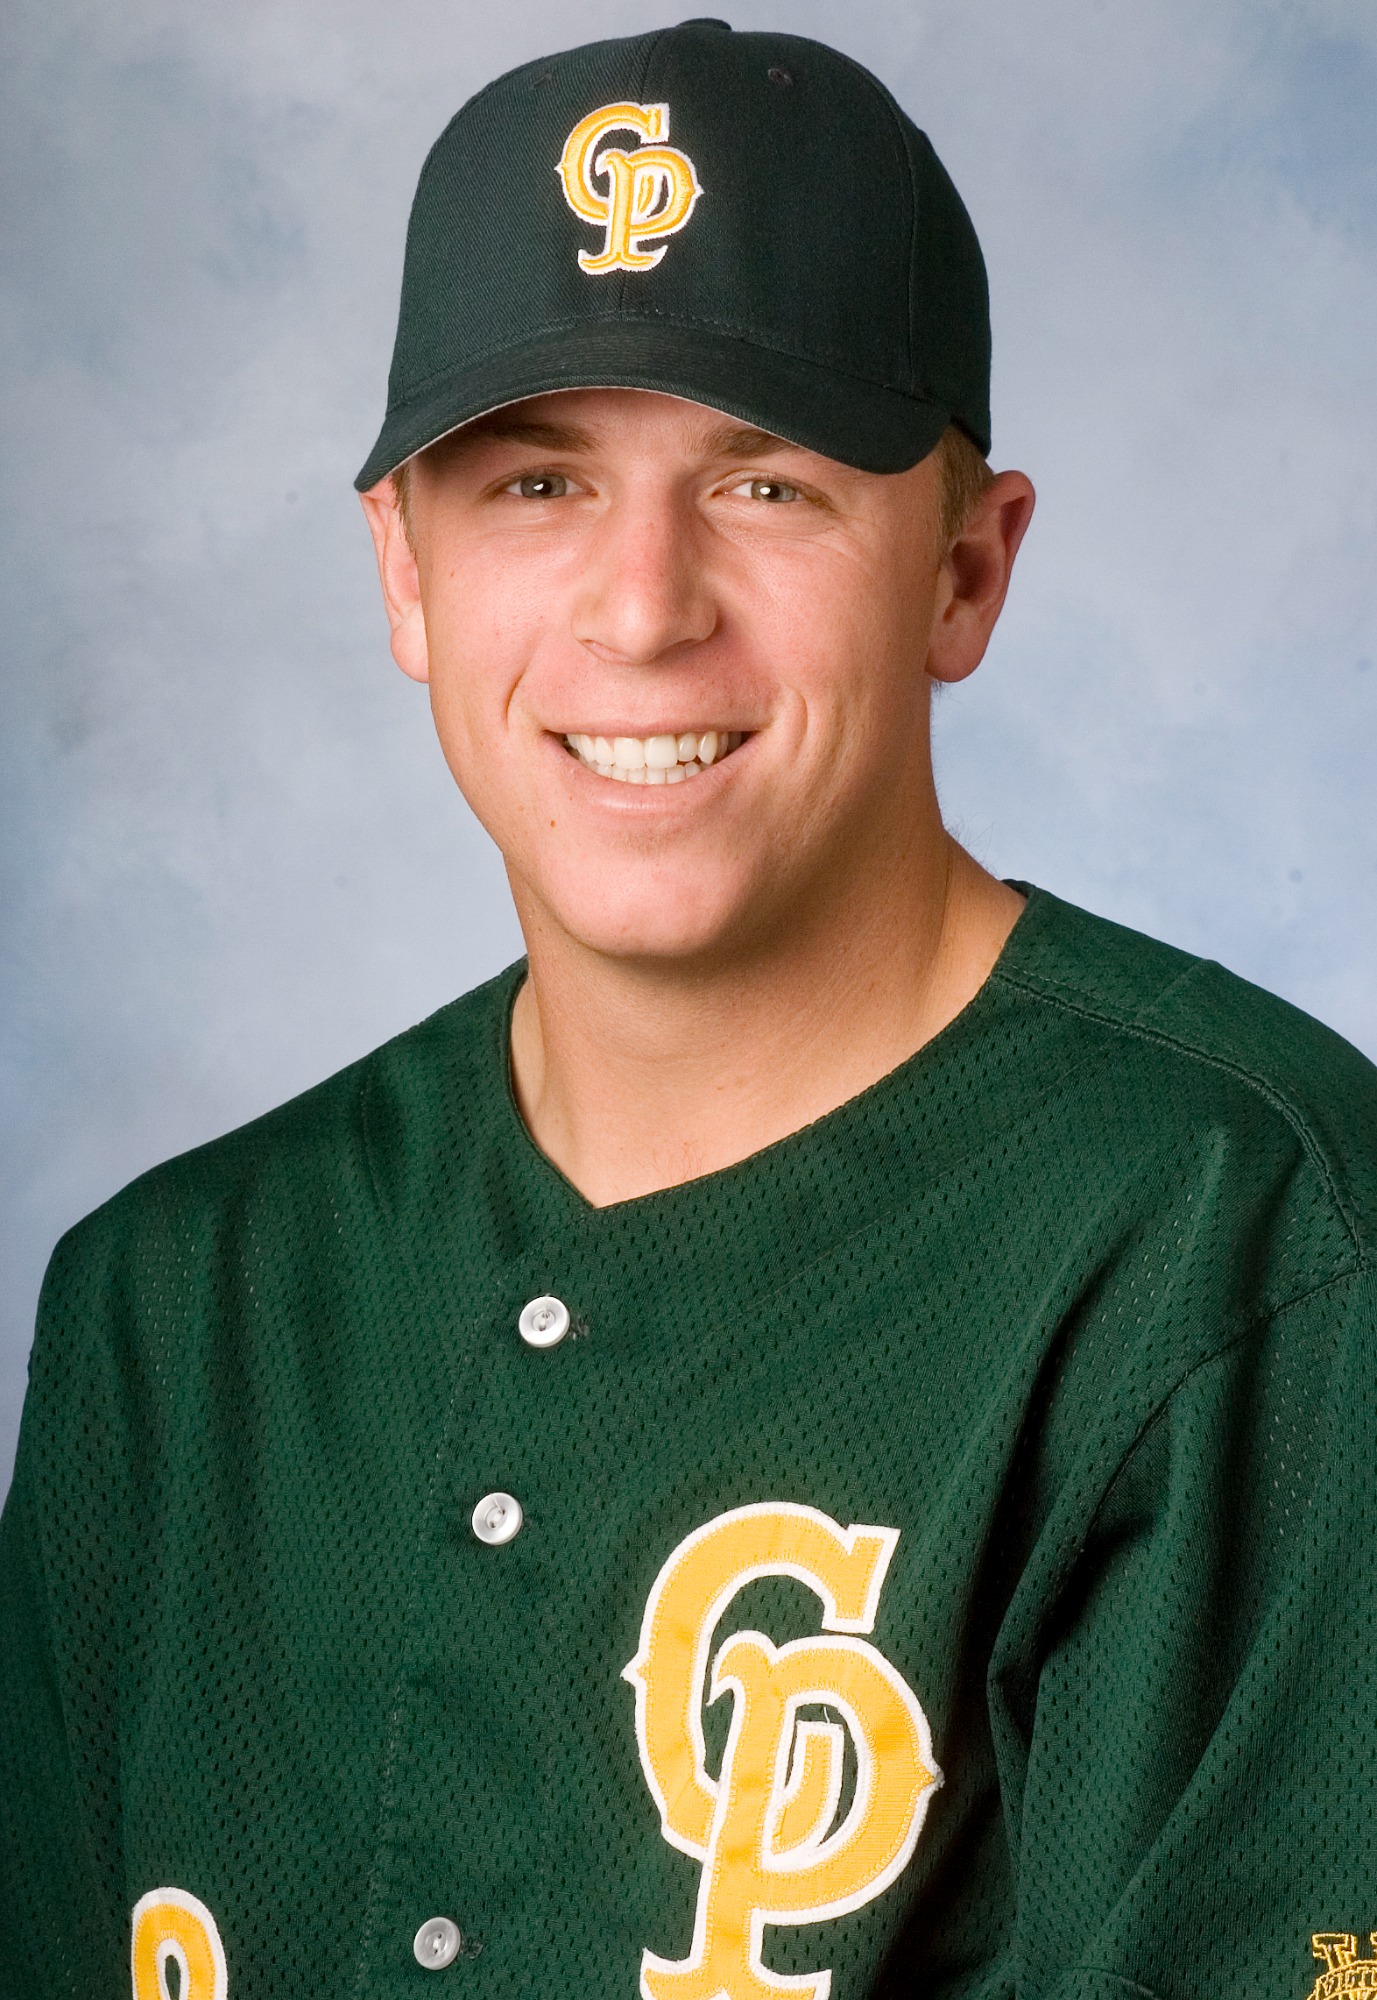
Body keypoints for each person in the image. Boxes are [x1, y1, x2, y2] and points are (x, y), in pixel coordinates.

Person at [2, 20, 1375, 2000]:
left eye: (766, 482)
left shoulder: (1252, 1248)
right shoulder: (173, 1306)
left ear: (963, 571)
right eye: (536, 481)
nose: (642, 607)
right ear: (404, 572)